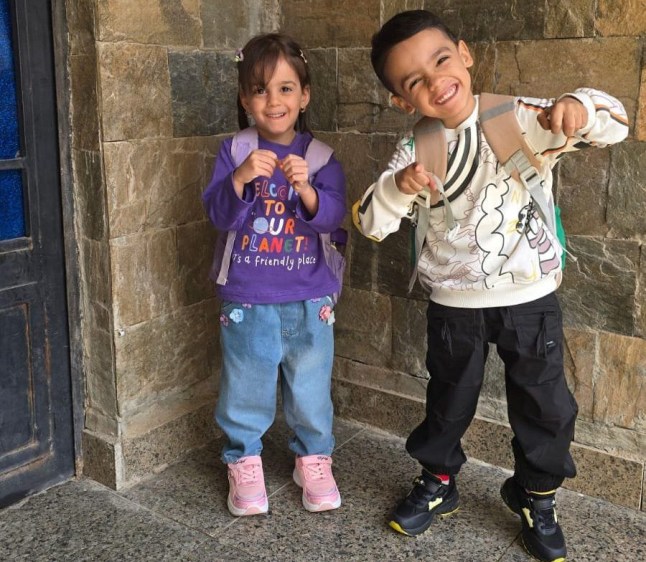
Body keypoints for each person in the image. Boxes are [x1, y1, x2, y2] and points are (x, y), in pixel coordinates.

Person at [354, 10, 628, 562]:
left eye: (441, 60)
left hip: (530, 298)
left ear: (464, 53)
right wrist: (398, 187)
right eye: (415, 81)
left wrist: (580, 106)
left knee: (546, 406)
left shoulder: (520, 116)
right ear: (403, 101)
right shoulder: (416, 150)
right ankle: (438, 481)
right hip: (453, 304)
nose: (436, 81)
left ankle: (536, 495)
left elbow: (615, 123)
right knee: (447, 401)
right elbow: (370, 223)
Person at [202, 33, 347, 517]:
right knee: (245, 383)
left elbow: (333, 219)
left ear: (304, 96)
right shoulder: (235, 151)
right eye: (260, 90)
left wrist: (307, 190)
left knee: (311, 383)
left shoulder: (321, 157)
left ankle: (314, 458)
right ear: (245, 99)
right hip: (248, 295)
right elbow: (218, 215)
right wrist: (240, 178)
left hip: (311, 295)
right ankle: (244, 459)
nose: (273, 100)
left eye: (286, 88)